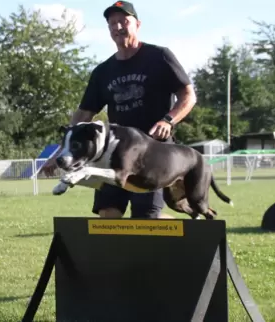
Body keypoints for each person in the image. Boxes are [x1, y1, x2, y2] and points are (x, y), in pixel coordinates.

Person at [44, 1, 197, 219]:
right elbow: (83, 115)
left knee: (146, 218)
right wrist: (60, 152)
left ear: (137, 24)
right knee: (107, 216)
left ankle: (184, 236)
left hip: (153, 153)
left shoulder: (159, 57)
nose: (117, 27)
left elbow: (188, 95)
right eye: (112, 23)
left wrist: (168, 120)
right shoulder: (102, 72)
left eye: (123, 21)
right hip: (113, 154)